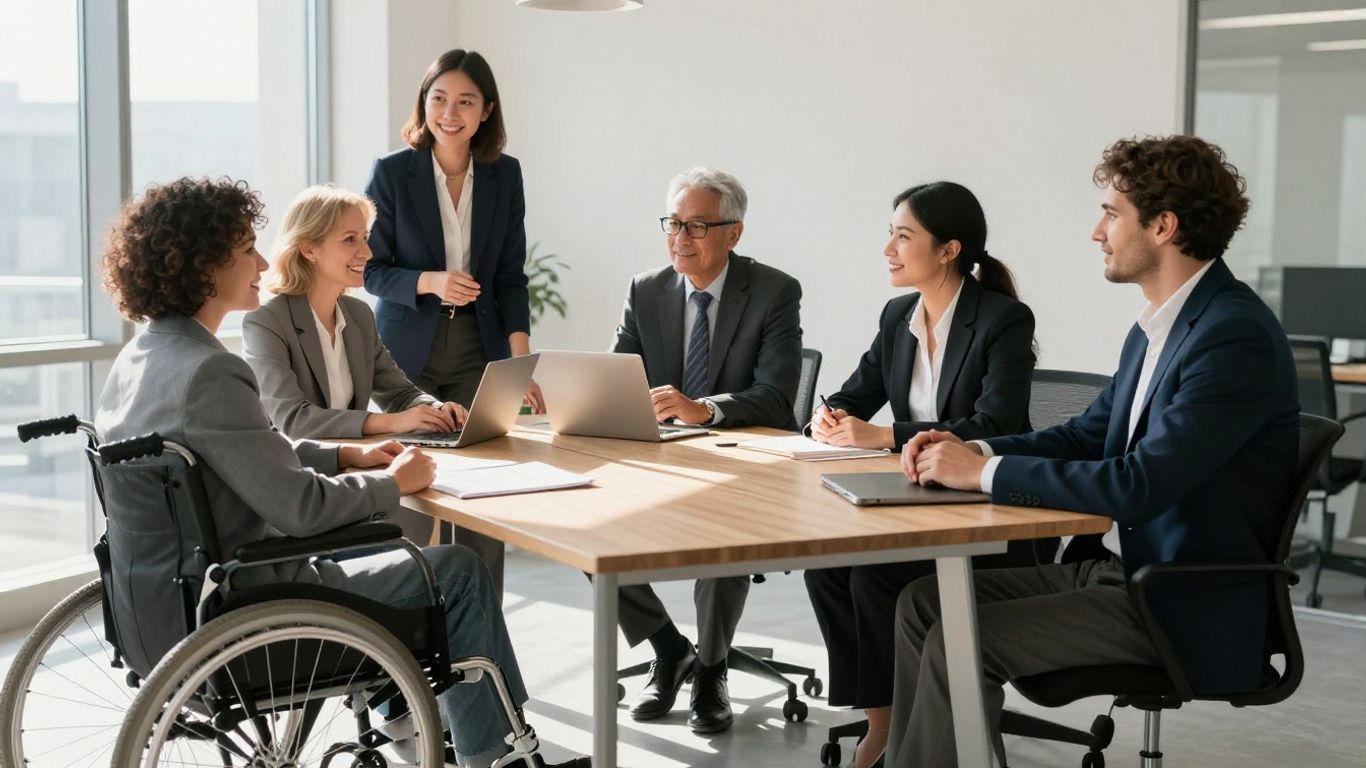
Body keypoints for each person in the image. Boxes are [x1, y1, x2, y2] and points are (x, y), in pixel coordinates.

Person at [95, 176, 580, 768]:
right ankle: (495, 755)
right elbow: (301, 508)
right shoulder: (213, 372)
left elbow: (244, 452)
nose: (261, 261)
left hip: (162, 601)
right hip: (259, 602)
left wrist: (344, 455)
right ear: (203, 265)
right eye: (246, 248)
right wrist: (392, 484)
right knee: (456, 569)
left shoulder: (139, 358)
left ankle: (427, 719)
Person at [888, 135, 1298, 768]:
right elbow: (1086, 436)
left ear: (1163, 226)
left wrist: (984, 473)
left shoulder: (1231, 336)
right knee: (923, 603)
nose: (1096, 231)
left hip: (1172, 596)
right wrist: (970, 446)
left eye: (1111, 213)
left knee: (961, 639)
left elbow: (1138, 485)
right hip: (1114, 570)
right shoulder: (1159, 326)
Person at [803, 181, 1042, 768]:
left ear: (948, 250)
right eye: (890, 233)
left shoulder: (1002, 320)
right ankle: (883, 721)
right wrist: (828, 416)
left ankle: (899, 731)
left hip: (989, 514)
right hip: (914, 499)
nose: (889, 248)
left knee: (872, 575)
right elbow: (855, 394)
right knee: (826, 568)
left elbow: (994, 422)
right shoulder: (898, 317)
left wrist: (886, 436)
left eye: (904, 236)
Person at [608, 166, 803, 733]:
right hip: (665, 464)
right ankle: (669, 649)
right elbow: (618, 377)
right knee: (584, 527)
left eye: (696, 226)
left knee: (724, 536)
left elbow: (775, 396)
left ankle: (712, 669)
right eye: (673, 224)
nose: (680, 238)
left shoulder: (773, 292)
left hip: (747, 467)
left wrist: (705, 408)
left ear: (733, 233)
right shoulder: (646, 290)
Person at [362, 49, 535, 589]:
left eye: (465, 101)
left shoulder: (505, 175)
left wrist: (521, 362)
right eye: (438, 99)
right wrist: (430, 281)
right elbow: (369, 270)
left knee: (484, 491)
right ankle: (406, 621)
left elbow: (510, 275)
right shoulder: (392, 173)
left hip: (478, 351)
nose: (449, 113)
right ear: (423, 103)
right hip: (404, 354)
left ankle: (482, 624)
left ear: (486, 110)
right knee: (412, 495)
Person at [244, 184, 467, 441]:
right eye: (350, 239)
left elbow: (399, 394)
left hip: (354, 456)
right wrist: (393, 422)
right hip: (294, 462)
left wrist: (437, 410)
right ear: (308, 249)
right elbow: (294, 419)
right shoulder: (266, 321)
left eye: (365, 237)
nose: (368, 252)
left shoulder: (358, 314)